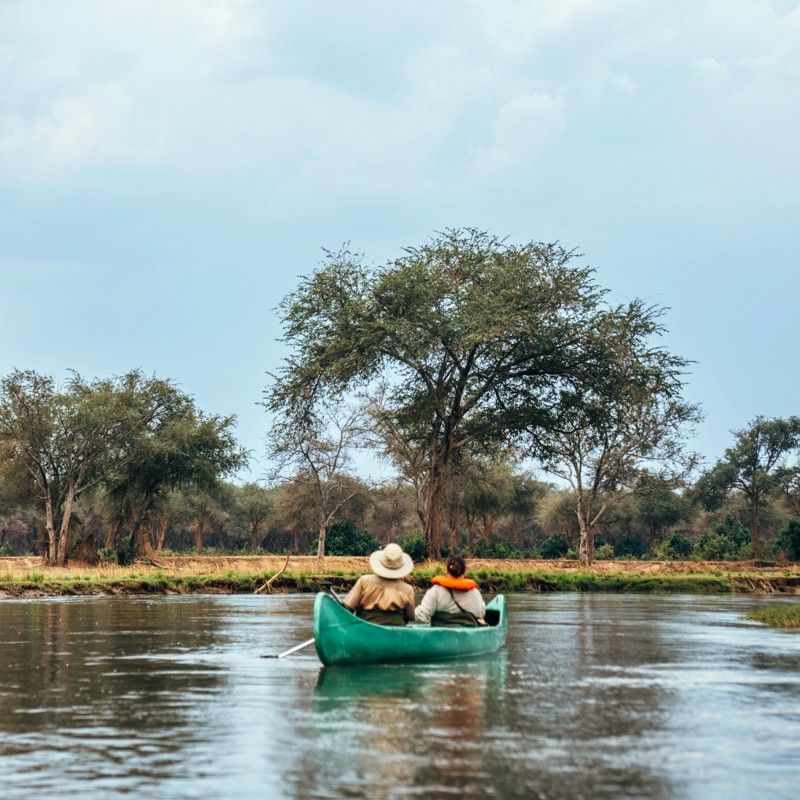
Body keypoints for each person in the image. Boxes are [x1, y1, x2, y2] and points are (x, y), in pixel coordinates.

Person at [343, 542, 416, 626]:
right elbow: (410, 617)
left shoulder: (364, 581)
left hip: (366, 630)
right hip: (396, 633)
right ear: (400, 566)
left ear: (381, 562)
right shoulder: (407, 589)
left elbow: (348, 607)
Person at [415, 555, 486, 627]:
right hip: (467, 636)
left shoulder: (436, 591)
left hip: (440, 636)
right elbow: (481, 614)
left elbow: (421, 617)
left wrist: (415, 611)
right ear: (464, 571)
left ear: (447, 570)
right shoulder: (475, 593)